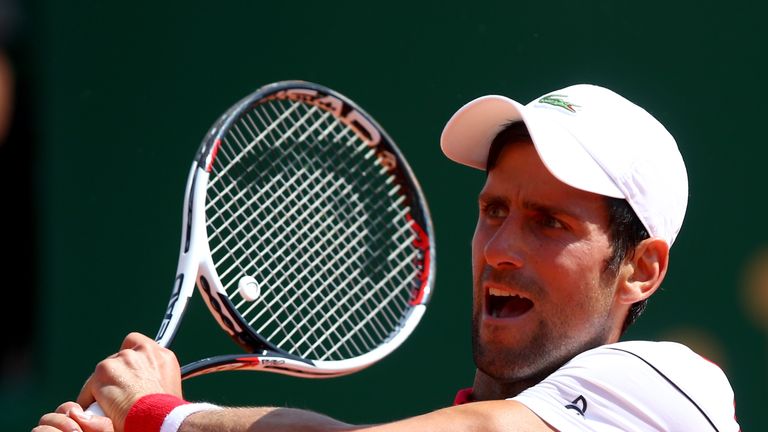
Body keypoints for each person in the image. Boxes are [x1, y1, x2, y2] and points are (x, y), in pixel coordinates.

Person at [34, 84, 740, 432]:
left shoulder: (668, 392)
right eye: (493, 211)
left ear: (640, 268)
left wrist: (160, 416)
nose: (498, 250)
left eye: (547, 223)